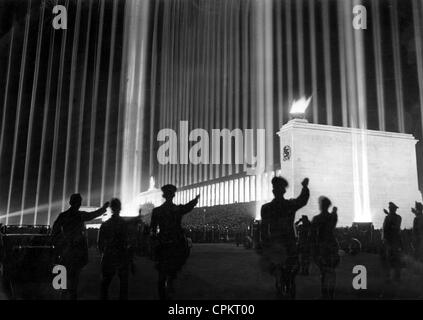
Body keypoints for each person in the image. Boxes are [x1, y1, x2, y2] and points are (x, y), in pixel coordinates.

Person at [51, 193, 109, 300]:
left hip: (65, 251)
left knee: (64, 277)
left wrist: (59, 244)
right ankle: (71, 295)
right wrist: (103, 208)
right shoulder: (79, 215)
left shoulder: (63, 216)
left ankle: (63, 294)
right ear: (78, 203)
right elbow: (93, 215)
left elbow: (54, 231)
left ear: (70, 202)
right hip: (76, 251)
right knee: (74, 279)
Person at [259, 177, 310, 299]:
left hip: (276, 246)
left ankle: (281, 289)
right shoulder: (289, 205)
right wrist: (305, 187)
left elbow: (264, 229)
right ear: (283, 191)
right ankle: (288, 290)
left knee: (279, 273)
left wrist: (264, 246)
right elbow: (302, 200)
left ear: (273, 191)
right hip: (289, 245)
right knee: (290, 275)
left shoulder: (266, 208)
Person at [150, 184, 199, 300]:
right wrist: (195, 200)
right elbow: (187, 207)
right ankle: (171, 281)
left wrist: (154, 242)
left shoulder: (157, 211)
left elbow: (152, 230)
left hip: (163, 243)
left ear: (164, 195)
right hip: (176, 243)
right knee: (178, 262)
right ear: (173, 195)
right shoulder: (176, 209)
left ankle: (163, 293)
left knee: (161, 274)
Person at [98, 198, 131, 300]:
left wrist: (103, 254)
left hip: (109, 255)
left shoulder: (105, 224)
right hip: (122, 256)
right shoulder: (125, 224)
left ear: (111, 208)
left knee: (105, 283)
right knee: (123, 285)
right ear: (120, 208)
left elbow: (100, 243)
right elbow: (128, 242)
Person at [311, 197, 340, 300]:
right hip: (332, 245)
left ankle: (324, 294)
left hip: (322, 247)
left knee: (323, 272)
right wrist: (334, 212)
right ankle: (330, 295)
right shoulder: (332, 217)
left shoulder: (317, 219)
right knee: (331, 272)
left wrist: (314, 250)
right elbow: (333, 222)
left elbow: (313, 235)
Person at [382, 202, 403, 281]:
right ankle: (389, 277)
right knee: (389, 259)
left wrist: (390, 219)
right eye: (390, 208)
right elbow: (384, 229)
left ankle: (397, 276)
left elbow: (396, 227)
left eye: (391, 208)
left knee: (396, 259)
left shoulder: (397, 218)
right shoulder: (387, 217)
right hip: (389, 241)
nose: (390, 209)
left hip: (395, 241)